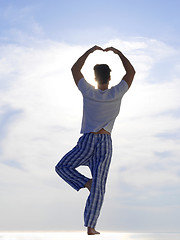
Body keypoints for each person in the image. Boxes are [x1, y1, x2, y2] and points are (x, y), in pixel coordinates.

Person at [55, 45, 135, 235]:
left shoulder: (88, 91)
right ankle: (90, 227)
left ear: (94, 78)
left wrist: (90, 51)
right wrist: (118, 52)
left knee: (62, 167)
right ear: (109, 78)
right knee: (99, 186)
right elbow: (131, 72)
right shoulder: (117, 93)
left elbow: (74, 70)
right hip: (105, 142)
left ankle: (86, 184)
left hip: (87, 141)